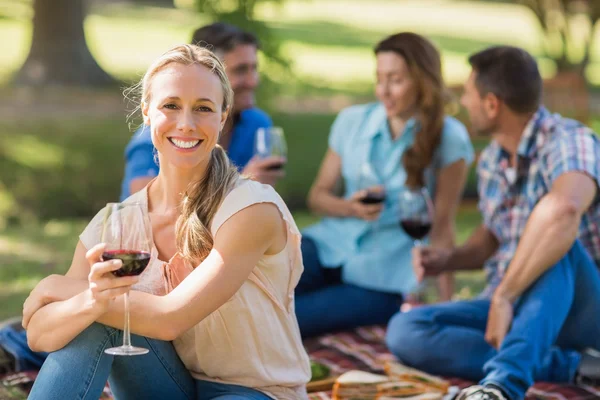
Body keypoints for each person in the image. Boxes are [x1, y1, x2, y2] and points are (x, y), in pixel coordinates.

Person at [23, 44, 310, 400]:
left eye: (203, 108)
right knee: (94, 320)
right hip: (168, 383)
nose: (186, 124)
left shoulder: (250, 208)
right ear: (147, 112)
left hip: (256, 391)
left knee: (104, 308)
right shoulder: (118, 222)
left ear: (222, 118)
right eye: (170, 105)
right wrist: (89, 301)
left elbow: (169, 318)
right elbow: (39, 335)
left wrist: (56, 286)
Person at [385, 46, 600, 400]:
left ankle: (501, 385)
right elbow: (494, 235)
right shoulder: (492, 161)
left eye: (468, 94)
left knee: (556, 241)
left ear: (491, 104)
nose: (463, 102)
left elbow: (563, 211)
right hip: (518, 304)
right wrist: (449, 260)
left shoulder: (569, 142)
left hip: (581, 309)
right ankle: (573, 365)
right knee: (406, 329)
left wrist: (504, 295)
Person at [295, 32, 474, 338]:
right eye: (380, 79)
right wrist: (350, 208)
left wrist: (445, 308)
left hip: (383, 277)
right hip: (328, 245)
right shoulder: (352, 122)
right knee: (254, 289)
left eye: (396, 80)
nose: (383, 91)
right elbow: (317, 197)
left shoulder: (449, 138)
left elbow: (442, 228)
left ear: (423, 82)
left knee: (291, 318)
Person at [120, 22, 284, 200]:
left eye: (254, 68)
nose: (253, 81)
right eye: (241, 70)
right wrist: (244, 184)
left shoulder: (257, 124)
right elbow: (149, 207)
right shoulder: (162, 134)